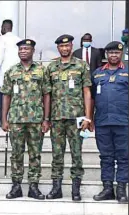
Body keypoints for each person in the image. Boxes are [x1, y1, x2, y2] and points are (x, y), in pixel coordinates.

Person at [0, 39, 50, 200]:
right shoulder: (11, 71)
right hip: (16, 119)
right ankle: (16, 186)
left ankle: (33, 186)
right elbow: (6, 95)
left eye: (26, 49)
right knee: (16, 154)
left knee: (35, 154)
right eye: (21, 49)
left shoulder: (42, 71)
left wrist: (46, 119)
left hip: (36, 119)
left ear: (33, 51)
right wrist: (4, 119)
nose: (23, 51)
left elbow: (47, 95)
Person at [45, 34, 92, 201]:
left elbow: (87, 91)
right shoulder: (51, 67)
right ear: (58, 48)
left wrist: (88, 117)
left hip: (76, 118)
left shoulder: (81, 66)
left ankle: (75, 189)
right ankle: (56, 188)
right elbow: (48, 95)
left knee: (76, 154)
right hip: (57, 118)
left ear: (72, 46)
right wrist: (46, 118)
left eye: (67, 46)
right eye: (61, 46)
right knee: (57, 154)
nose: (65, 48)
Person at [91, 41, 128, 204]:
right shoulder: (97, 74)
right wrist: (89, 118)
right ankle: (107, 188)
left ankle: (121, 189)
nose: (113, 55)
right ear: (106, 55)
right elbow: (91, 98)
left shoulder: (127, 72)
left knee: (123, 157)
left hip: (123, 122)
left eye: (116, 53)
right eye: (111, 53)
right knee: (106, 157)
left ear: (121, 54)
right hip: (102, 122)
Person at [0, 20, 21, 128]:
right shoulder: (18, 39)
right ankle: (13, 118)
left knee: (3, 95)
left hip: (5, 72)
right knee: (15, 95)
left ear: (4, 28)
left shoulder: (2, 38)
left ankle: (2, 118)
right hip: (17, 72)